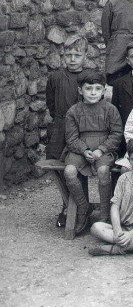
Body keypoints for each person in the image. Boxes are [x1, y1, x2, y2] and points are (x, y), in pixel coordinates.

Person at [63, 70, 123, 233]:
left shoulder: (110, 110)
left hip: (103, 149)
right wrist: (84, 150)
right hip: (79, 149)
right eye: (89, 89)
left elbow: (116, 134)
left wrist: (101, 150)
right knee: (69, 171)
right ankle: (83, 208)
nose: (93, 92)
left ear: (104, 90)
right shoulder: (73, 111)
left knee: (103, 170)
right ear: (80, 90)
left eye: (97, 88)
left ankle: (104, 213)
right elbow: (71, 138)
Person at [46, 35, 91, 226]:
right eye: (69, 54)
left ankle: (82, 208)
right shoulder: (56, 77)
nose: (72, 59)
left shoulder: (90, 76)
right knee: (58, 165)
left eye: (77, 55)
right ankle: (67, 205)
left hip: (84, 128)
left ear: (85, 55)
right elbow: (51, 103)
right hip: (60, 127)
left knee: (80, 166)